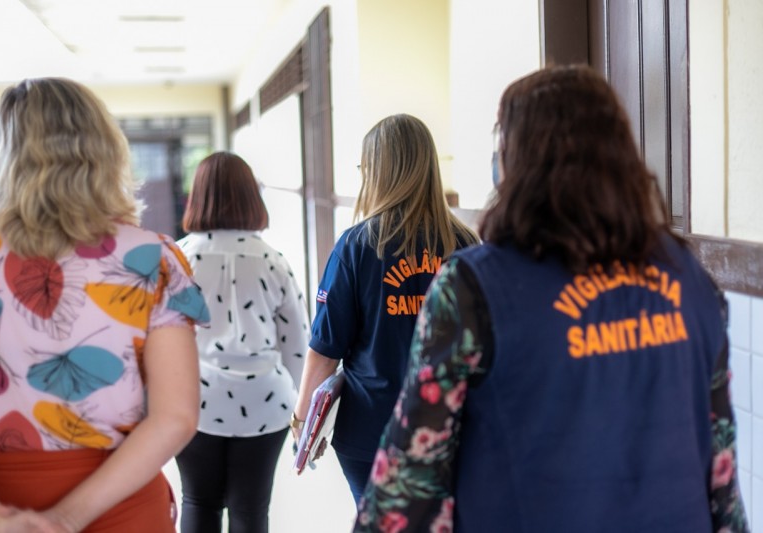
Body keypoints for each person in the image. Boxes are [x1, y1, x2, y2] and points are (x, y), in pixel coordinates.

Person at [352, 65, 750, 532]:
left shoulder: (473, 288)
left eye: (499, 139)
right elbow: (722, 474)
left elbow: (409, 483)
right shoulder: (688, 278)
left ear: (518, 159)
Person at [0, 77, 209, 532]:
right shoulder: (152, 258)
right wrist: (64, 520)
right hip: (120, 506)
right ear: (104, 151)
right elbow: (176, 417)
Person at [292, 114, 479, 504]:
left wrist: (302, 421)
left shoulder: (356, 247)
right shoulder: (465, 244)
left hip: (371, 430)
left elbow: (325, 351)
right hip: (450, 427)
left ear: (377, 172)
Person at [174, 152, 309, 533]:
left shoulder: (178, 259)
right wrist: (301, 410)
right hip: (264, 403)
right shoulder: (273, 261)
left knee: (198, 501)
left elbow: (159, 339)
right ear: (252, 196)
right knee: (250, 510)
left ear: (197, 196)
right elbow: (297, 345)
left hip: (195, 401)